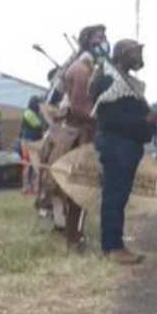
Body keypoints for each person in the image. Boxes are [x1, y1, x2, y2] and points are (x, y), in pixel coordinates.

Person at [92, 39, 157, 265]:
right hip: (116, 146)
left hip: (127, 147)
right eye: (135, 52)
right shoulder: (108, 80)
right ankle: (112, 247)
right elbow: (109, 119)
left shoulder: (127, 83)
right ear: (122, 54)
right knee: (114, 196)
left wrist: (148, 122)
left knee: (119, 197)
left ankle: (115, 244)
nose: (140, 57)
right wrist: (144, 120)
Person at [48, 24, 108, 251]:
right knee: (80, 189)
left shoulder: (84, 66)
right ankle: (74, 238)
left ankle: (75, 235)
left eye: (105, 37)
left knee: (79, 189)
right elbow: (81, 109)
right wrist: (107, 119)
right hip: (80, 136)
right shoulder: (83, 69)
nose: (104, 42)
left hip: (79, 134)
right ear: (89, 41)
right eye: (100, 37)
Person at [20, 96, 46, 195]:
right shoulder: (28, 113)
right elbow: (37, 124)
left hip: (34, 142)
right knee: (27, 164)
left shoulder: (34, 113)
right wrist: (44, 116)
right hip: (27, 142)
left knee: (35, 165)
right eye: (38, 104)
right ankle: (26, 187)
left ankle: (34, 187)